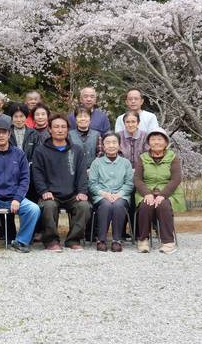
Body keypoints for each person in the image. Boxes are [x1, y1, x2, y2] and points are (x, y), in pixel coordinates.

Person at [0, 117, 41, 254]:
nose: (1, 135)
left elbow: (25, 179)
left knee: (34, 209)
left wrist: (17, 198)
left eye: (4, 132)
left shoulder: (19, 154)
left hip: (14, 198)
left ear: (9, 134)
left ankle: (21, 241)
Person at [32, 114, 90, 251]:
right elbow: (37, 174)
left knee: (84, 206)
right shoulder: (41, 151)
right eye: (56, 127)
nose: (60, 130)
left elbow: (82, 173)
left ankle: (73, 240)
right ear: (50, 130)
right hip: (51, 194)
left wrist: (82, 192)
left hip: (72, 194)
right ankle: (51, 240)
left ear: (68, 129)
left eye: (63, 127)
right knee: (49, 206)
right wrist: (44, 191)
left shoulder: (77, 150)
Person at [134, 128, 185, 254]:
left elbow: (176, 179)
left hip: (168, 191)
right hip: (147, 190)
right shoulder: (143, 157)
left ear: (166, 143)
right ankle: (143, 239)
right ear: (148, 142)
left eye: (159, 139)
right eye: (153, 139)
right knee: (146, 205)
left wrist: (163, 195)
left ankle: (168, 241)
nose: (156, 142)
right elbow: (137, 179)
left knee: (163, 205)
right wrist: (147, 194)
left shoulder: (173, 157)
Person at [88, 132, 134, 252]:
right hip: (101, 195)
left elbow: (129, 184)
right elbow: (92, 184)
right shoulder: (96, 163)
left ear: (119, 145)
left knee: (118, 205)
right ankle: (101, 239)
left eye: (114, 142)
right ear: (103, 146)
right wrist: (104, 194)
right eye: (108, 143)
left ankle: (116, 240)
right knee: (106, 205)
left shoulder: (126, 163)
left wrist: (119, 194)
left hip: (121, 195)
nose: (111, 145)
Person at [68, 105, 101, 170]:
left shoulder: (97, 134)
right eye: (80, 117)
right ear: (76, 120)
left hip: (93, 171)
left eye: (86, 116)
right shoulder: (69, 135)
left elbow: (100, 153)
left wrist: (92, 168)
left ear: (90, 119)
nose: (83, 119)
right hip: (74, 170)